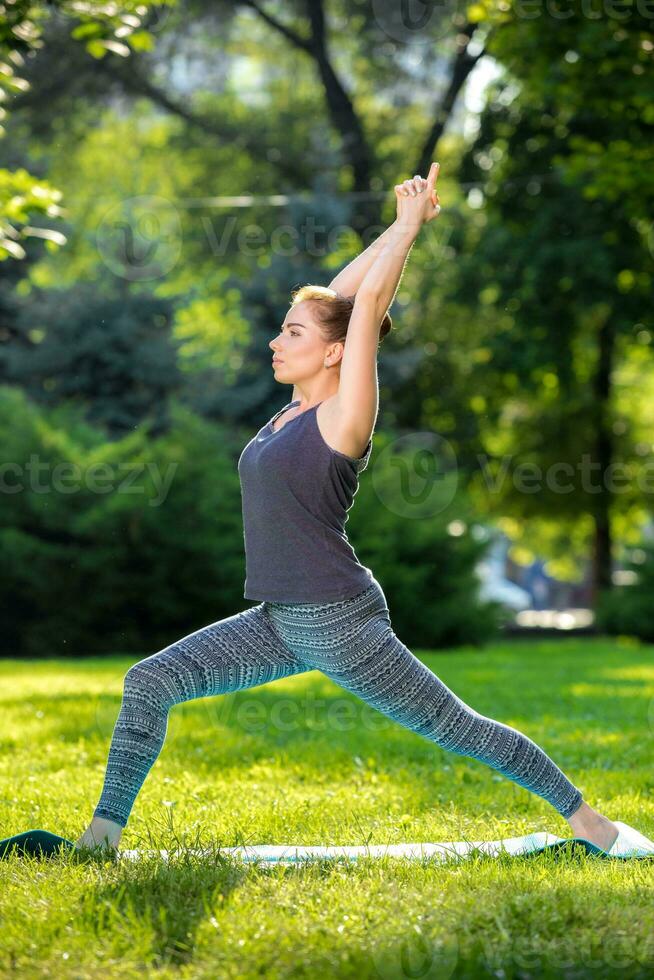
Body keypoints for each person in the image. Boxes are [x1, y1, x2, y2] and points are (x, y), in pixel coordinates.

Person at [75, 165, 618, 855]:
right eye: (281, 330)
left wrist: (412, 232)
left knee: (458, 728)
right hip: (277, 618)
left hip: (337, 621)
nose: (276, 341)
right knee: (149, 681)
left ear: (334, 353)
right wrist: (397, 222)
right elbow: (340, 299)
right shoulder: (291, 411)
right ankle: (101, 837)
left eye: (292, 333)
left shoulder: (344, 414)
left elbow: (360, 313)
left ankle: (589, 822)